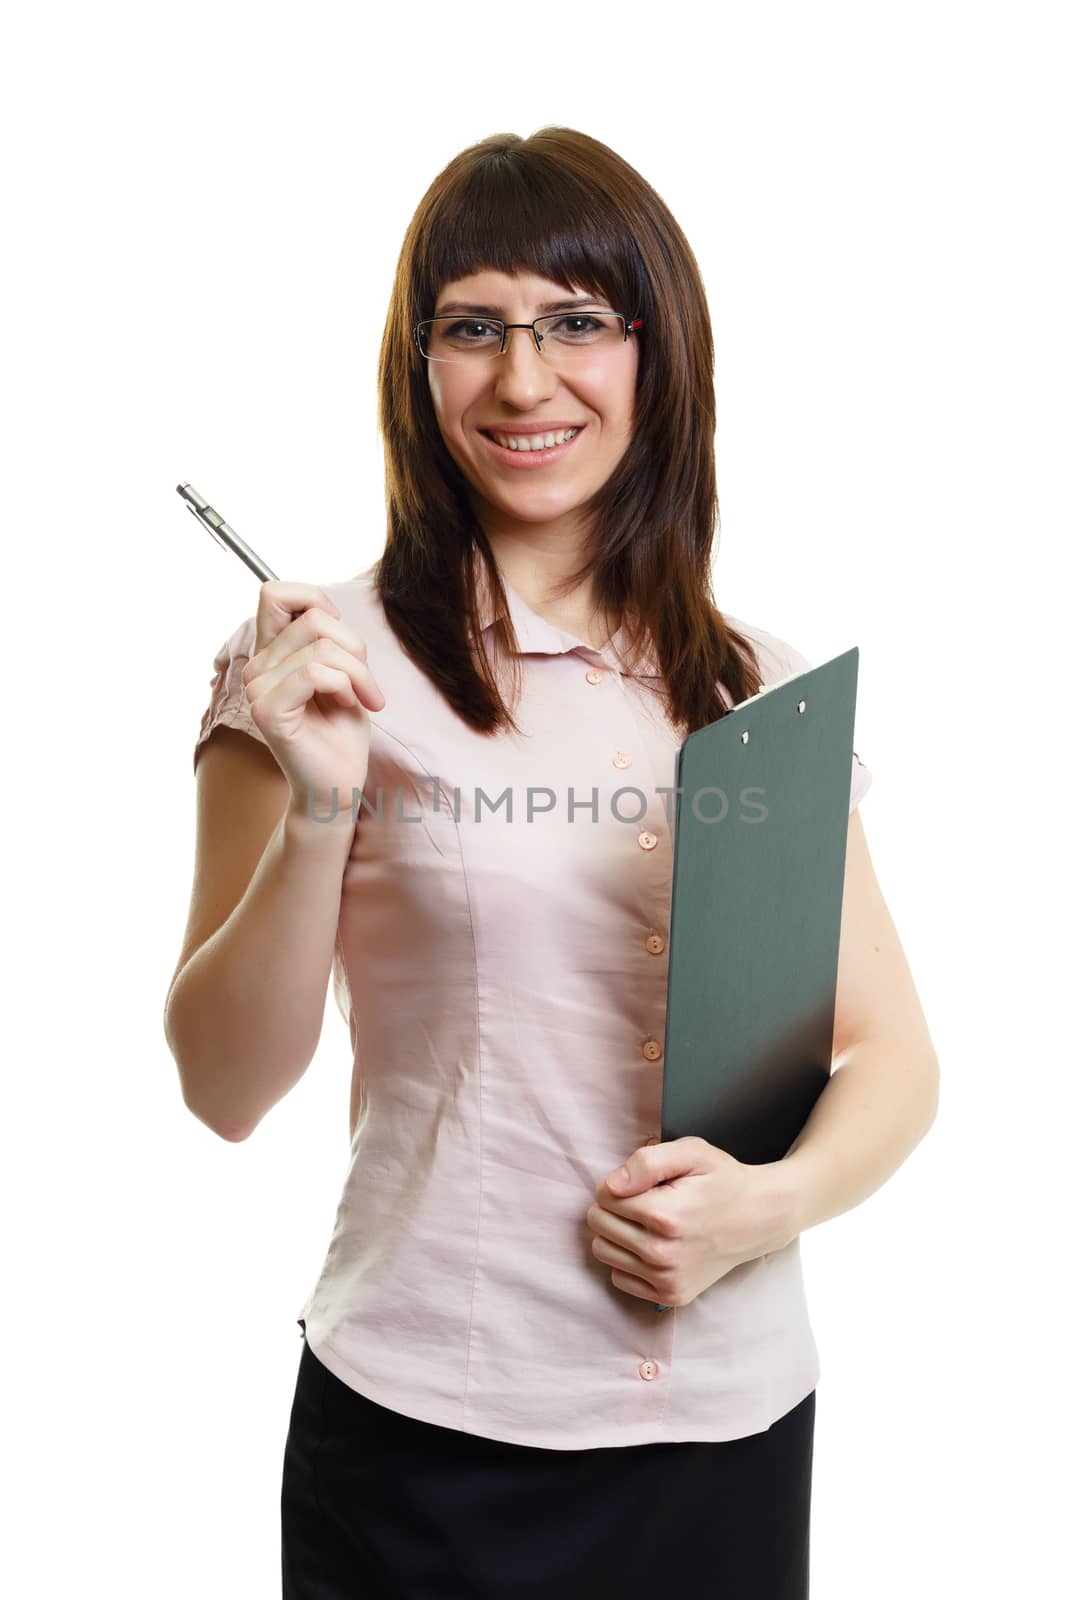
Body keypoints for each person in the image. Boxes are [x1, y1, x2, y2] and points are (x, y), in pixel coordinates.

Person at [165, 126, 939, 1599]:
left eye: (578, 322)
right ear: (420, 368)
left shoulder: (748, 683)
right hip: (431, 1438)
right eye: (473, 328)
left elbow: (892, 1054)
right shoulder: (316, 668)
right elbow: (221, 1086)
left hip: (732, 1428)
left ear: (660, 355)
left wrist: (766, 1208)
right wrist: (322, 803)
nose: (525, 381)